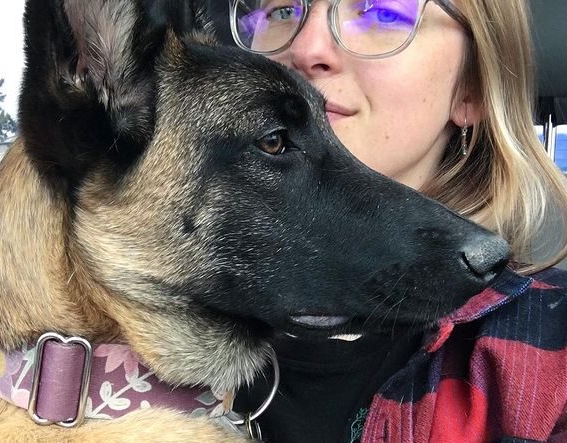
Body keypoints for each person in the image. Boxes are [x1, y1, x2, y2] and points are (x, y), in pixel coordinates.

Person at [227, 1, 567, 442]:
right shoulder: (143, 297)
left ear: (471, 91)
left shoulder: (549, 358)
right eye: (282, 9)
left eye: (383, 12)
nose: (307, 48)